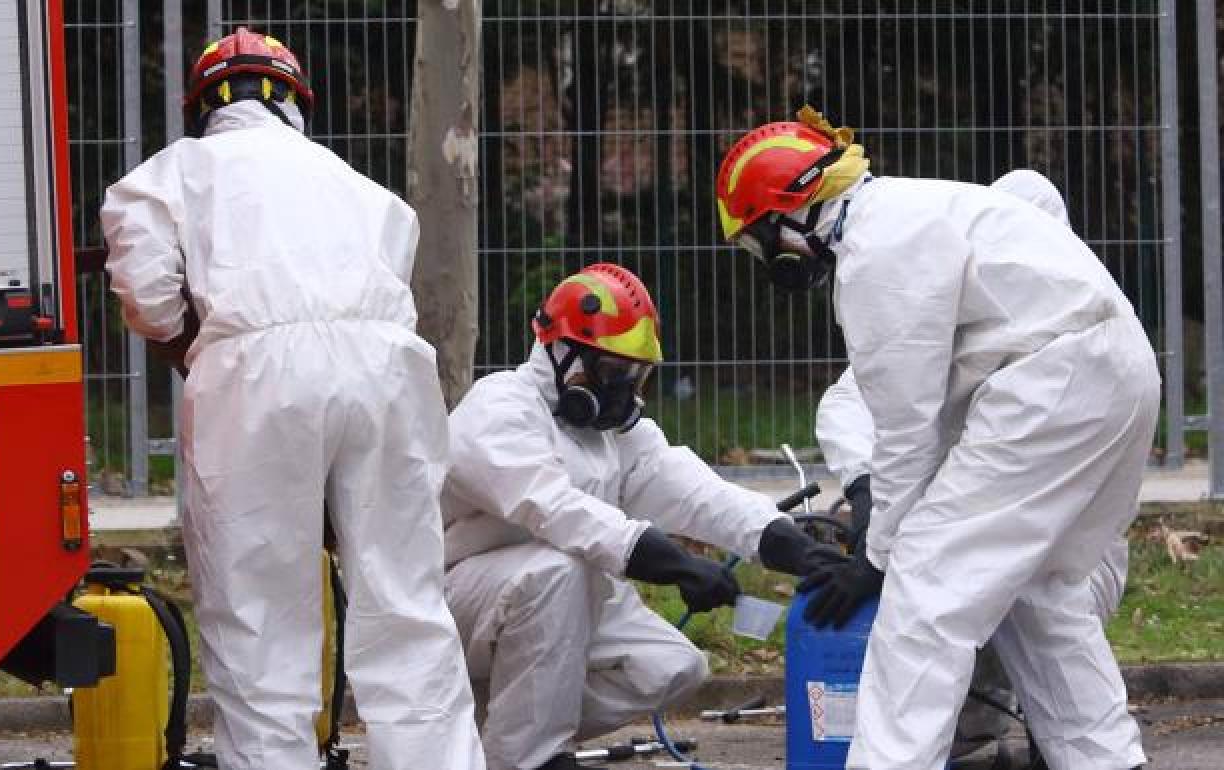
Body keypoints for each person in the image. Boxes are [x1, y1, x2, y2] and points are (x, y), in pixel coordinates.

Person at [716, 107, 1156, 770]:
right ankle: (1108, 760)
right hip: (1115, 374)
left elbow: (905, 429)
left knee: (924, 597)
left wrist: (879, 554)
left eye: (760, 240)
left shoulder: (874, 255)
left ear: (796, 211)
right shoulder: (914, 210)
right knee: (1043, 593)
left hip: (1050, 388)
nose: (768, 258)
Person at [101, 27, 484, 770]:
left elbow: (147, 300)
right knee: (407, 611)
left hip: (254, 375)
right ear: (295, 104)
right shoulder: (360, 187)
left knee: (260, 627)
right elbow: (390, 277)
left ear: (203, 106)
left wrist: (196, 347)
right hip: (387, 370)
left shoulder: (170, 173)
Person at [442, 263, 843, 770]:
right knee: (555, 571)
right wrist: (675, 564)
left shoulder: (611, 435)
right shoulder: (499, 411)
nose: (625, 391)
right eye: (614, 372)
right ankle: (528, 759)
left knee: (671, 668)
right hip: (457, 597)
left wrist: (796, 547)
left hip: (557, 597)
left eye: (636, 374)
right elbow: (562, 513)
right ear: (563, 353)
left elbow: (698, 493)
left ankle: (485, 733)